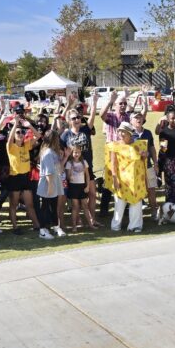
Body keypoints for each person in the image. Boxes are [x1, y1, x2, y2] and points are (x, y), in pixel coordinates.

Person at [60, 92, 101, 227]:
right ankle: (77, 221)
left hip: (87, 168)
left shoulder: (85, 130)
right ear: (69, 120)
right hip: (73, 172)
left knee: (93, 194)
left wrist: (94, 103)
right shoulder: (65, 135)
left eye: (78, 117)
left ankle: (92, 220)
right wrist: (68, 105)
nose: (76, 120)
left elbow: (93, 118)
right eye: (73, 118)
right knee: (75, 200)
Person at [5, 116, 42, 235]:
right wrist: (15, 125)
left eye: (22, 132)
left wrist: (29, 126)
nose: (20, 134)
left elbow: (38, 136)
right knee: (14, 204)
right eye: (18, 132)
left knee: (29, 204)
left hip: (25, 177)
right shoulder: (11, 146)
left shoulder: (26, 145)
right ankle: (15, 227)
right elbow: (10, 139)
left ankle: (37, 225)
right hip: (14, 178)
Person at [109, 122, 147, 232]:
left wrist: (144, 155)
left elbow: (143, 160)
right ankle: (115, 226)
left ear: (130, 134)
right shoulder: (115, 146)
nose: (121, 134)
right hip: (121, 180)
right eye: (120, 131)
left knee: (136, 203)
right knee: (119, 204)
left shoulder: (138, 145)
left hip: (136, 181)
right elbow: (113, 164)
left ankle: (135, 226)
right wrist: (115, 178)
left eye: (124, 132)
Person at [36, 130, 67, 239]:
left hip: (54, 181)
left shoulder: (52, 152)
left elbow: (59, 168)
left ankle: (55, 226)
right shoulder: (48, 153)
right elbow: (48, 172)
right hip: (49, 183)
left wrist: (65, 157)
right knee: (45, 207)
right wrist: (50, 187)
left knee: (53, 206)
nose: (58, 140)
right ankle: (42, 230)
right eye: (57, 138)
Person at [130, 110, 158, 213]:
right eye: (136, 118)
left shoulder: (148, 132)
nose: (138, 119)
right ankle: (137, 215)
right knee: (136, 190)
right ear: (131, 120)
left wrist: (155, 163)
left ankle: (154, 212)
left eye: (140, 117)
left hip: (148, 165)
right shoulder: (129, 134)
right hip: (134, 168)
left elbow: (152, 148)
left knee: (151, 189)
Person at [65, 144, 95, 231]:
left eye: (78, 152)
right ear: (72, 153)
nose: (76, 154)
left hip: (82, 186)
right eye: (75, 152)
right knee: (75, 207)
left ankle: (90, 224)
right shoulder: (69, 163)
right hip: (73, 187)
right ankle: (74, 226)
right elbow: (67, 176)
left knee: (85, 206)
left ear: (80, 153)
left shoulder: (84, 162)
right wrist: (69, 176)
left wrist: (88, 186)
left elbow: (87, 176)